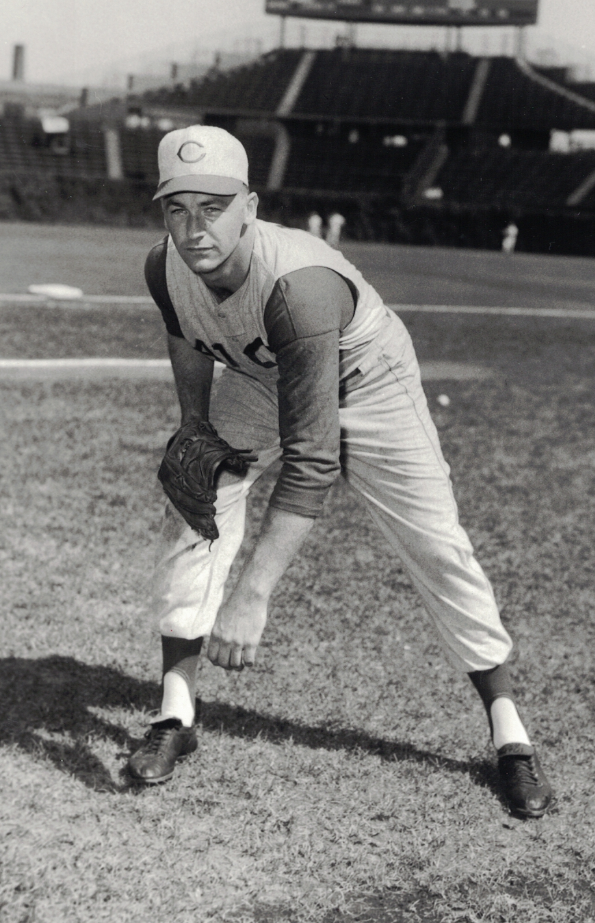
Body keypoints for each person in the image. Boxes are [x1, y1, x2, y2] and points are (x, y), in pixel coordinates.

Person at [128, 125, 552, 818]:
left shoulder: (298, 285)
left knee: (436, 546)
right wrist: (195, 423)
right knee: (193, 509)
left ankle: (509, 732)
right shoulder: (164, 266)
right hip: (262, 378)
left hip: (367, 378)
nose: (193, 226)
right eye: (177, 208)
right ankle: (175, 713)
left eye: (213, 206)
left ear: (250, 206)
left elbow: (313, 458)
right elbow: (185, 333)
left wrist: (253, 594)